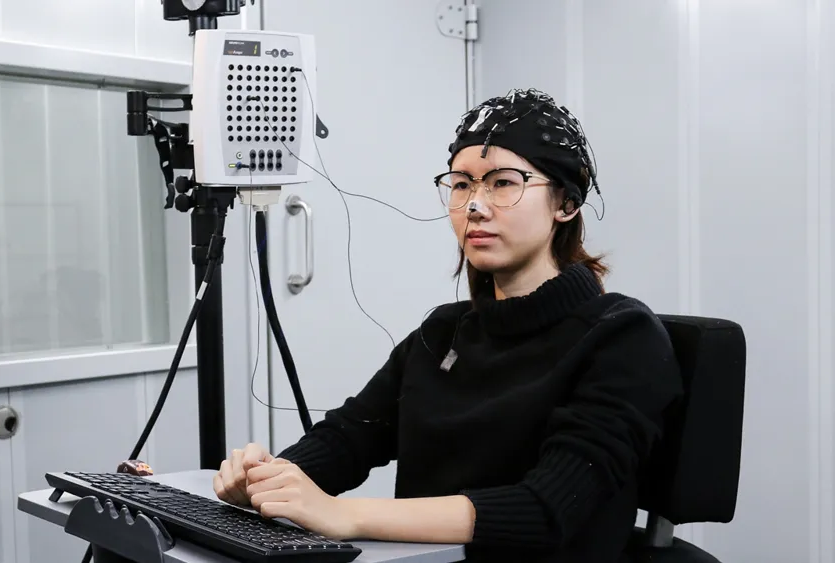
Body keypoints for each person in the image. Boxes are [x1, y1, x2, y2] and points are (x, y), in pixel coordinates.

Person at [213, 88, 685, 563]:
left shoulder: (620, 337)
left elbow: (545, 510)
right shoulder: (444, 332)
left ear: (566, 202)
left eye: (503, 183)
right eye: (461, 185)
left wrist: (345, 514)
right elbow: (349, 437)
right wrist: (268, 478)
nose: (474, 206)